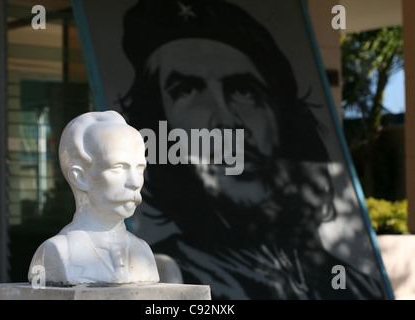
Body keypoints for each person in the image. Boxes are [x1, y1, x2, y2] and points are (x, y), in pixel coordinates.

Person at [118, 0, 388, 299]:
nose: (227, 122)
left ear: (283, 118)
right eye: (188, 90)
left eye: (244, 91)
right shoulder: (164, 280)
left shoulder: (357, 286)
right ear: (159, 126)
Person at [27, 110, 159, 286]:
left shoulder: (143, 252)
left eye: (140, 168)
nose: (135, 182)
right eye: (118, 167)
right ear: (79, 177)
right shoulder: (56, 252)